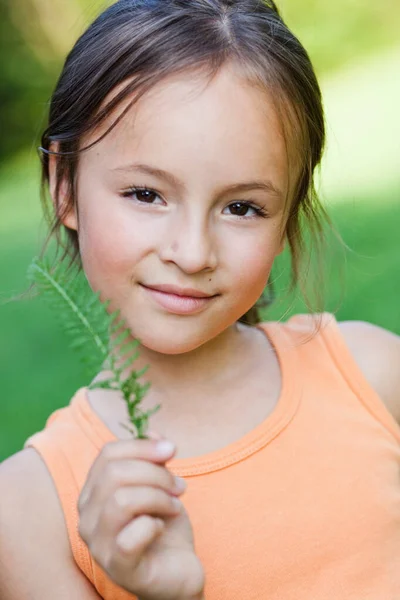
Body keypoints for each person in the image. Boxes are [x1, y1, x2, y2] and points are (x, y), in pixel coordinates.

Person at [1, 0, 400, 598]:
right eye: (145, 193)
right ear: (66, 188)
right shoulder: (31, 513)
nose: (192, 253)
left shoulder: (374, 377)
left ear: (287, 216)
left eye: (242, 207)